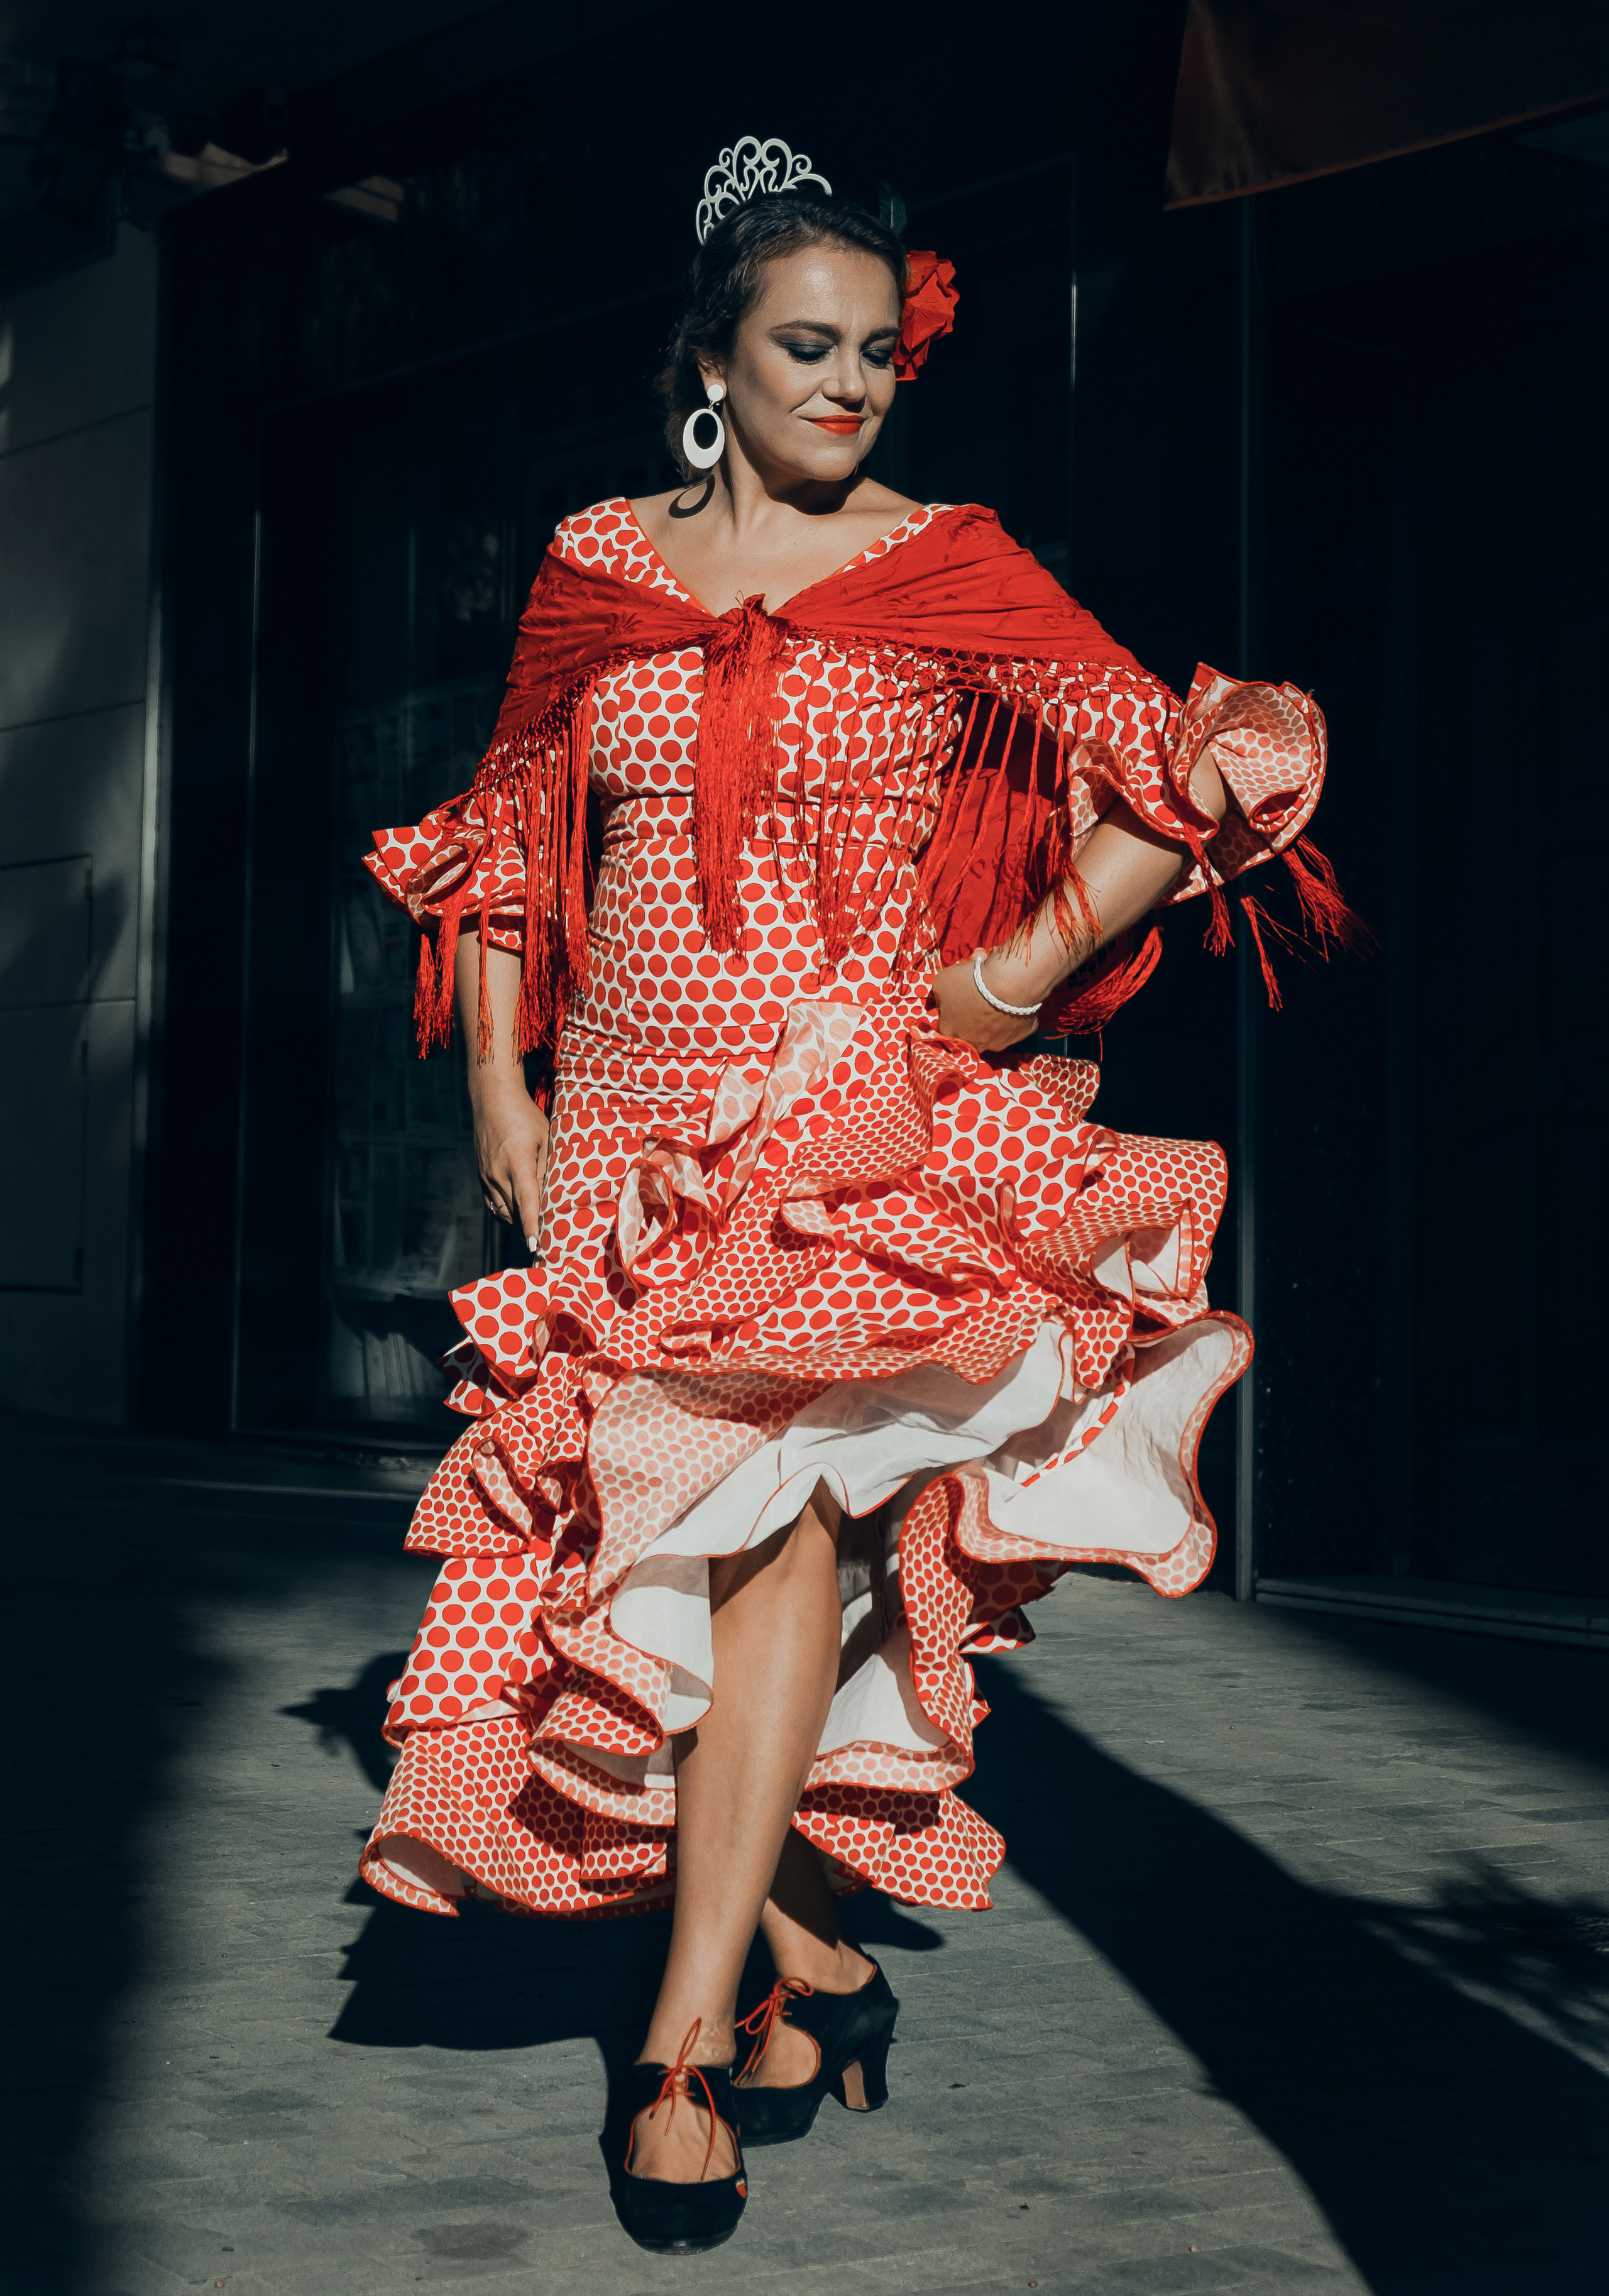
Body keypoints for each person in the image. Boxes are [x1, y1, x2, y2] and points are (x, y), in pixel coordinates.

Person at [361, 140, 1341, 2255]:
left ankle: (682, 2048)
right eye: (808, 349)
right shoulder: (600, 559)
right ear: (709, 358)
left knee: (785, 1543)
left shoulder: (947, 564)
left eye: (880, 355)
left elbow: (1196, 770)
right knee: (659, 1568)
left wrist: (992, 989)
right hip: (628, 1130)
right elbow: (510, 825)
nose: (853, 387)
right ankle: (818, 1963)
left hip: (846, 1121)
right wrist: (496, 1097)